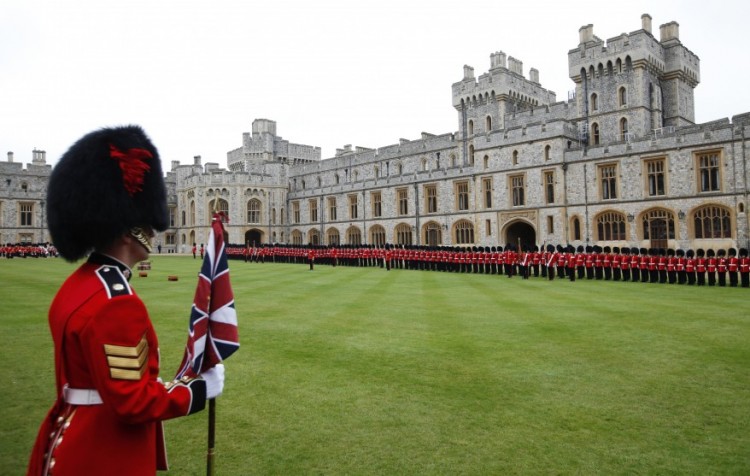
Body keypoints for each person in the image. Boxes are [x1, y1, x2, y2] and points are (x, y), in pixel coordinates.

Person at [27, 126, 225, 475]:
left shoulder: (77, 286)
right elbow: (132, 401)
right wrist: (196, 392)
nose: (152, 231)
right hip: (104, 452)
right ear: (126, 228)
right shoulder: (116, 302)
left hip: (67, 437)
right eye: (146, 223)